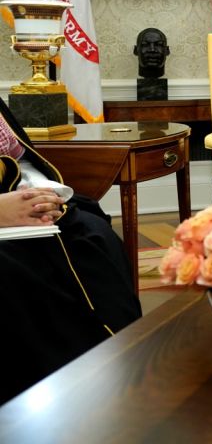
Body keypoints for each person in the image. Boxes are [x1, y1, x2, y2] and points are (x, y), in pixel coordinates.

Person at [0, 98, 141, 404]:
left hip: (26, 201)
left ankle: (121, 382)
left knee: (93, 233)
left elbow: (22, 161)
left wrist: (41, 197)